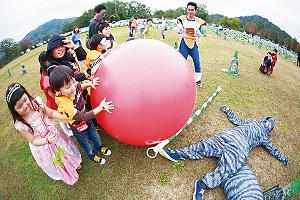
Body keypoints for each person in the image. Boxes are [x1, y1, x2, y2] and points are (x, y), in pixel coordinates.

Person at [159, 105, 288, 200]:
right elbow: (236, 120)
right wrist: (227, 110)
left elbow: (273, 149)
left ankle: (178, 155)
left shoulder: (263, 136)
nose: (268, 124)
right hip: (236, 142)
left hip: (233, 139)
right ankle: (201, 182)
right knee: (225, 164)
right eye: (268, 122)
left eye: (270, 125)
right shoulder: (255, 124)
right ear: (264, 121)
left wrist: (282, 157)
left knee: (211, 151)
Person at [6, 83, 82, 185]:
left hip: (54, 133)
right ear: (14, 110)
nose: (25, 106)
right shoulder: (20, 124)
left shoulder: (36, 103)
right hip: (43, 144)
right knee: (58, 158)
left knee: (65, 149)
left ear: (27, 95)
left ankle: (74, 164)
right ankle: (67, 171)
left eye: (25, 100)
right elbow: (32, 140)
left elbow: (50, 113)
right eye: (20, 106)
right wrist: (46, 141)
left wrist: (66, 117)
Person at [49, 65, 114, 165]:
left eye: (73, 82)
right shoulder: (65, 104)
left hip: (87, 121)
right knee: (86, 144)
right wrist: (101, 107)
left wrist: (90, 84)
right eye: (67, 87)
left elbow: (79, 86)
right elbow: (82, 116)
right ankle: (92, 156)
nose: (72, 88)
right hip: (78, 126)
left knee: (95, 136)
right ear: (58, 91)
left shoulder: (73, 86)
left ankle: (99, 148)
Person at [177, 2, 207, 87]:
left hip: (193, 43)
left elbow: (200, 35)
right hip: (184, 43)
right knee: (182, 61)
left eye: (192, 10)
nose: (190, 11)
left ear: (195, 11)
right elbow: (179, 32)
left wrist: (197, 31)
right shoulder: (182, 19)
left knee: (197, 62)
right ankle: (181, 78)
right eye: (189, 9)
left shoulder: (198, 21)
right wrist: (180, 29)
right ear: (187, 10)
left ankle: (197, 80)